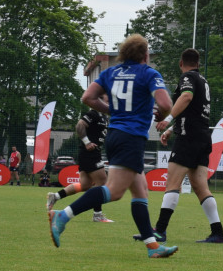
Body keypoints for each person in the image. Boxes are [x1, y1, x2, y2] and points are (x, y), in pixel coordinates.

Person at [48, 34, 177, 258]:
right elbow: (165, 104)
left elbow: (88, 97)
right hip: (131, 137)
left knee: (140, 190)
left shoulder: (111, 73)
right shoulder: (148, 73)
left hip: (115, 135)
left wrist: (113, 111)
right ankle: (64, 215)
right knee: (114, 191)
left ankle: (152, 247)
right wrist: (161, 115)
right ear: (145, 55)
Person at [147, 48, 223, 244]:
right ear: (198, 63)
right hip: (201, 137)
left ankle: (160, 231)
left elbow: (186, 97)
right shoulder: (203, 80)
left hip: (188, 138)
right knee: (201, 187)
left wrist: (168, 119)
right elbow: (192, 110)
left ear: (180, 63)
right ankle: (218, 233)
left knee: (172, 184)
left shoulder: (187, 78)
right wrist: (171, 129)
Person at [46, 106, 113, 222]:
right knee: (102, 182)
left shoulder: (104, 116)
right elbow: (79, 125)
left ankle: (55, 196)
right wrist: (87, 143)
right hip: (90, 153)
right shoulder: (93, 114)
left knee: (85, 184)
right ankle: (97, 215)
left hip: (90, 153)